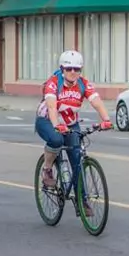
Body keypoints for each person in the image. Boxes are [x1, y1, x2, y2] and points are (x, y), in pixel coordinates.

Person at [35, 51, 111, 205]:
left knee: (77, 161)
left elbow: (96, 101)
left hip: (70, 123)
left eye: (77, 69)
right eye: (69, 69)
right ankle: (47, 169)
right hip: (47, 121)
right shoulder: (53, 83)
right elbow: (51, 106)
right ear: (62, 69)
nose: (72, 72)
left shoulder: (83, 83)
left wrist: (106, 120)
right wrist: (57, 125)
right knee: (56, 140)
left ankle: (82, 201)